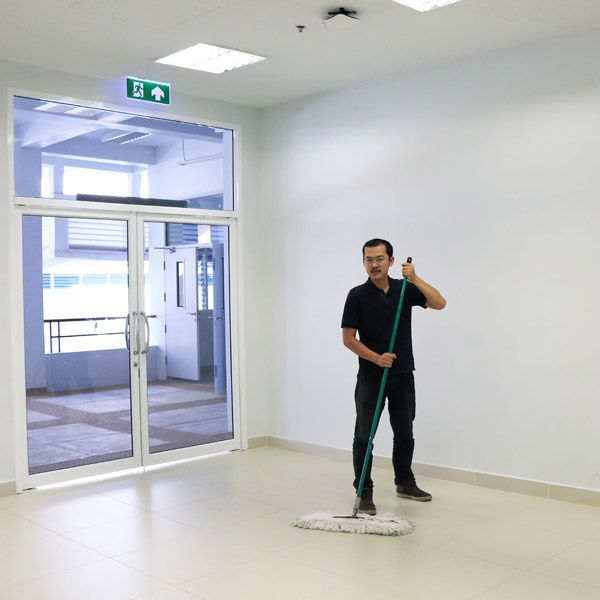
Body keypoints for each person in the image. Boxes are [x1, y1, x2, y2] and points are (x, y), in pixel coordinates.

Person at [341, 238, 446, 515]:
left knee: (405, 432)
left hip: (402, 374)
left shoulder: (404, 291)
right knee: (364, 435)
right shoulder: (356, 295)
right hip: (371, 377)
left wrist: (415, 277)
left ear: (390, 261)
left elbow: (439, 303)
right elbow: (348, 339)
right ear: (363, 262)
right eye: (368, 259)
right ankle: (363, 491)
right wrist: (376, 358)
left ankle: (405, 482)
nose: (374, 265)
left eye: (379, 259)